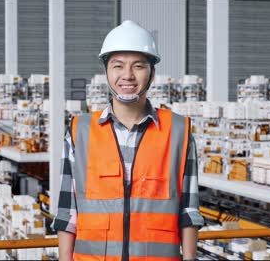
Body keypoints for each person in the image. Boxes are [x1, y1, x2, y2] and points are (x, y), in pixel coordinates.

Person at [52, 20, 204, 261]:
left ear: (152, 73)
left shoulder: (179, 132)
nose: (127, 75)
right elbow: (67, 213)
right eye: (118, 66)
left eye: (138, 66)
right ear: (106, 72)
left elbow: (189, 211)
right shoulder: (79, 131)